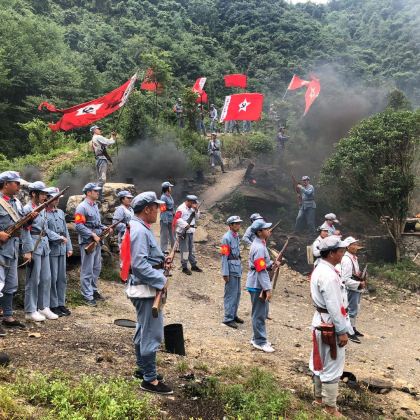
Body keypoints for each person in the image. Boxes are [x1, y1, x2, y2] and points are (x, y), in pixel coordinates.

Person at [125, 191, 173, 395]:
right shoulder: (140, 230)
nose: (158, 212)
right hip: (145, 291)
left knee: (142, 329)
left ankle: (143, 368)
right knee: (151, 334)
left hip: (144, 289)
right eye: (156, 208)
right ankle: (150, 380)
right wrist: (161, 280)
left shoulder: (139, 226)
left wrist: (161, 261)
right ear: (147, 209)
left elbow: (146, 259)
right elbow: (139, 265)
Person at [309, 236, 350, 417]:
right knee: (332, 365)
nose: (343, 254)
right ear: (331, 253)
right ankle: (330, 408)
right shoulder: (329, 275)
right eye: (340, 251)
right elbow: (335, 306)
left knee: (319, 362)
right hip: (330, 323)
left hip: (320, 319)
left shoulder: (320, 269)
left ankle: (318, 399)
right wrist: (342, 331)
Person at [0, 171, 33, 332]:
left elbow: (22, 225)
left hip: (12, 249)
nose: (18, 186)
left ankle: (8, 316)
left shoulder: (17, 202)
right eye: (16, 183)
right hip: (0, 250)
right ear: (6, 184)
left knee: (11, 286)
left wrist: (30, 218)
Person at [24, 181, 60, 321]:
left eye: (46, 194)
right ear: (34, 193)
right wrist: (28, 249)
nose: (45, 196)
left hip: (44, 244)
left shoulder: (42, 208)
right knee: (33, 279)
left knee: (46, 277)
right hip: (33, 243)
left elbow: (46, 229)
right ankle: (30, 310)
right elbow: (25, 231)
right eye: (43, 193)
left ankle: (43, 306)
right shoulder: (28, 209)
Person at [246, 219, 279, 353]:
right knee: (259, 314)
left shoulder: (260, 244)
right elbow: (260, 270)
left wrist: (271, 264)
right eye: (266, 229)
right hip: (257, 284)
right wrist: (267, 288)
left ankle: (257, 338)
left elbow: (262, 265)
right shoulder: (259, 248)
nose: (268, 231)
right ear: (259, 232)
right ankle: (260, 341)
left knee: (261, 312)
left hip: (257, 282)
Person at [75, 183, 107, 306]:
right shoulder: (82, 207)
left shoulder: (94, 206)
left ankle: (93, 291)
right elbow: (79, 226)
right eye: (95, 191)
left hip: (97, 240)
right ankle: (87, 295)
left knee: (96, 267)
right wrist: (92, 235)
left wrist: (105, 228)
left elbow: (97, 224)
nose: (97, 193)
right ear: (88, 192)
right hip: (88, 241)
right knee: (87, 269)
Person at [45, 187, 73, 317]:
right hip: (52, 249)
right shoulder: (44, 212)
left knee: (62, 278)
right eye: (54, 198)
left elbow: (65, 231)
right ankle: (53, 305)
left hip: (62, 249)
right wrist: (58, 238)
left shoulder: (60, 212)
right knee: (53, 278)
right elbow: (45, 230)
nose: (56, 200)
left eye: (57, 198)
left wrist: (69, 247)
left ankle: (61, 303)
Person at [341, 236, 366, 344]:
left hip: (355, 287)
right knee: (351, 310)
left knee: (355, 309)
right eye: (354, 245)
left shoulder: (352, 257)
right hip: (351, 288)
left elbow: (354, 273)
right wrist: (358, 283)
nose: (356, 247)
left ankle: (353, 328)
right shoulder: (347, 260)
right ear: (348, 247)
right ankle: (349, 331)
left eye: (356, 244)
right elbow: (345, 279)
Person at [221, 216, 244, 329]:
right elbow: (224, 256)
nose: (238, 225)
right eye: (236, 223)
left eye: (239, 223)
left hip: (237, 268)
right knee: (230, 294)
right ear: (230, 225)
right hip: (230, 269)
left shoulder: (236, 236)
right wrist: (225, 273)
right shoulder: (226, 238)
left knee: (237, 294)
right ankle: (228, 318)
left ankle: (233, 315)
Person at [174, 195, 203, 275]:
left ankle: (193, 265)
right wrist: (185, 225)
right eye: (193, 203)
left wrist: (196, 210)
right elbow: (177, 219)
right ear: (189, 201)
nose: (195, 205)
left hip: (190, 231)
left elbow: (197, 218)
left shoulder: (193, 209)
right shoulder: (181, 208)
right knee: (185, 250)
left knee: (191, 250)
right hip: (183, 232)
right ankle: (184, 267)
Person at [90, 125, 116, 200]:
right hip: (101, 159)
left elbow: (106, 144)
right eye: (98, 129)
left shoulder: (94, 138)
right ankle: (99, 197)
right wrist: (113, 136)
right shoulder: (98, 137)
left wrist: (112, 136)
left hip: (98, 159)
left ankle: (97, 195)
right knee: (102, 179)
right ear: (94, 130)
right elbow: (109, 142)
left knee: (100, 179)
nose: (100, 130)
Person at [159, 182, 175, 254]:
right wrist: (164, 219)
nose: (171, 188)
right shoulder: (163, 197)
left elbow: (172, 206)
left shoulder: (169, 196)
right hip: (165, 217)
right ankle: (163, 248)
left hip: (171, 216)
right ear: (167, 188)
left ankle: (174, 247)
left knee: (172, 232)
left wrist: (174, 214)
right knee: (164, 233)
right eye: (170, 187)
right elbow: (162, 209)